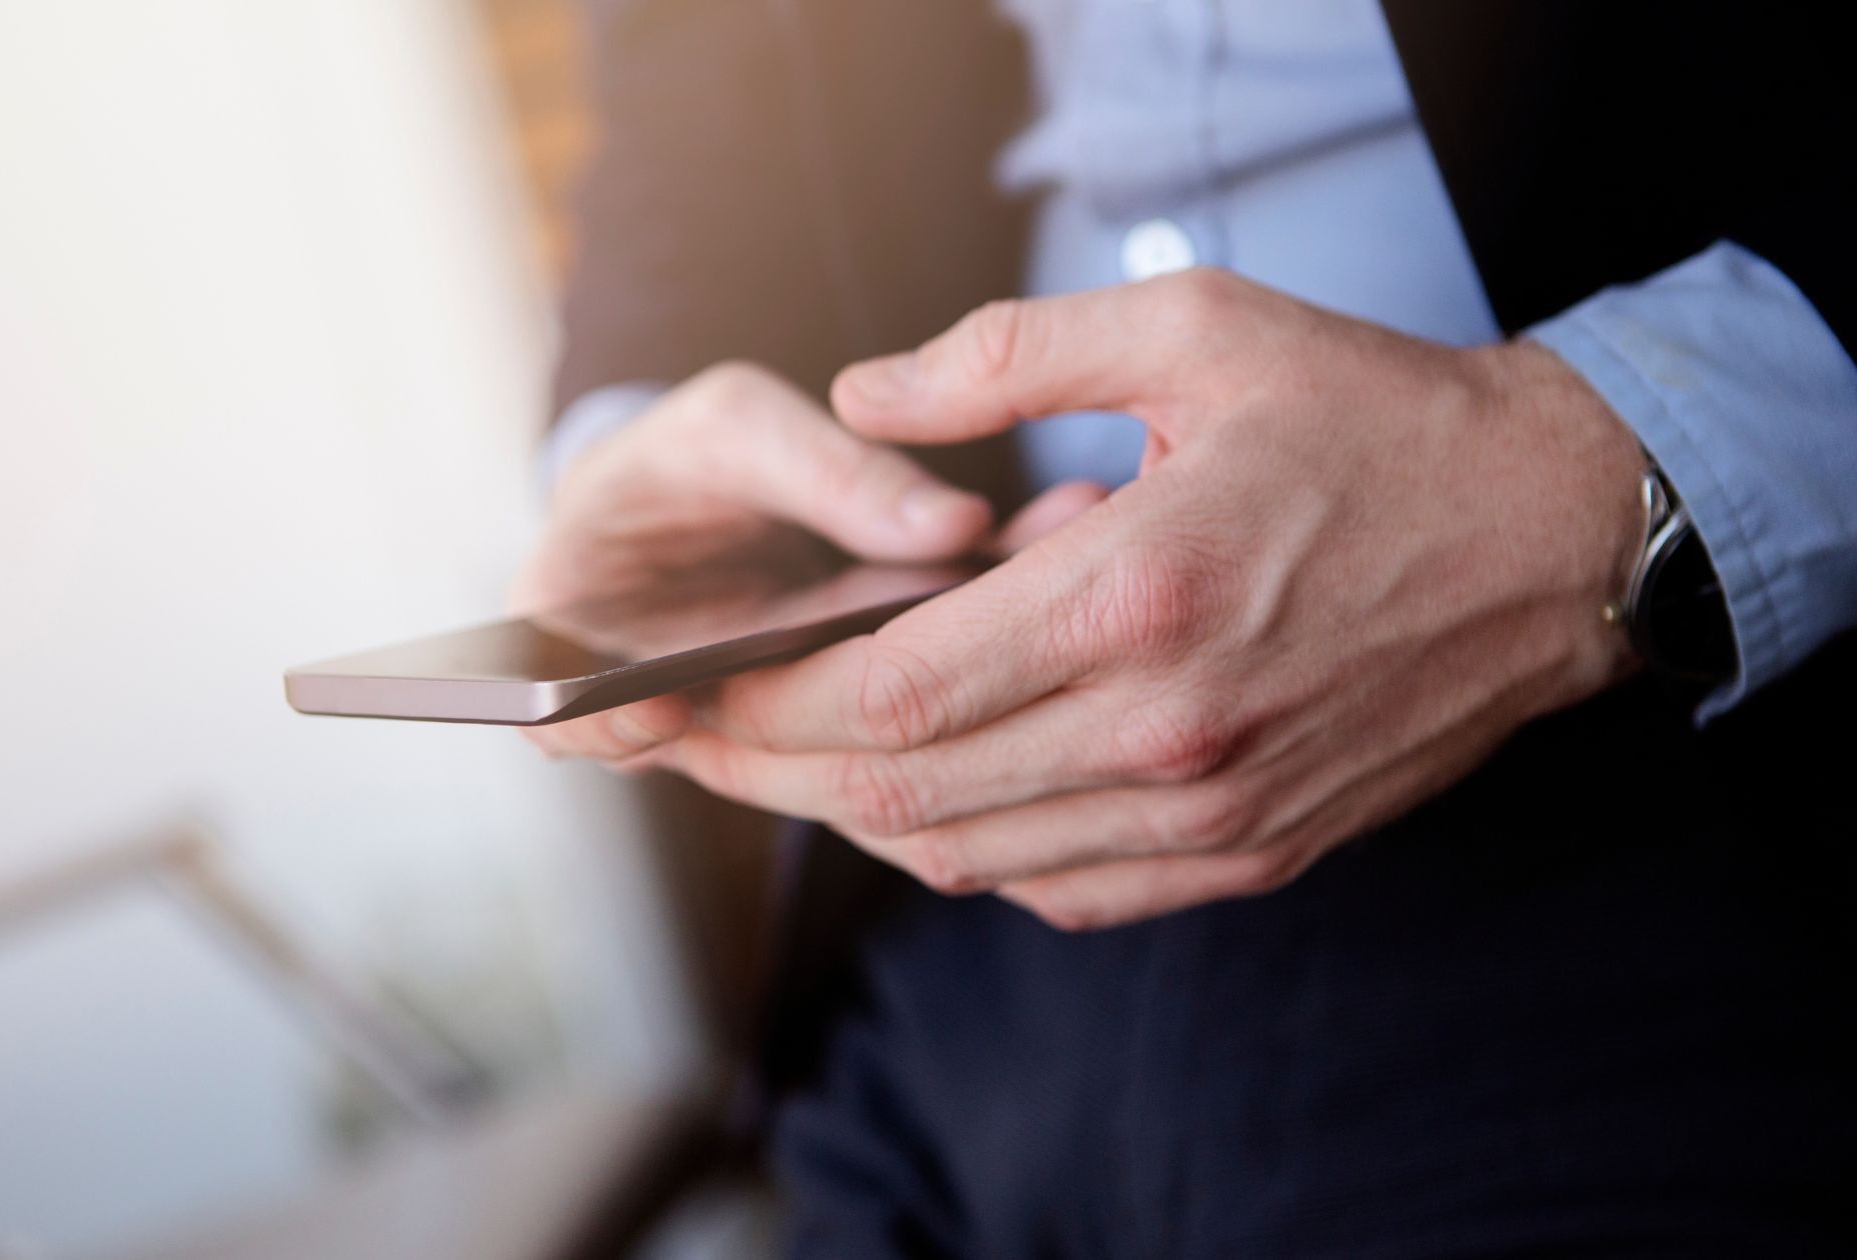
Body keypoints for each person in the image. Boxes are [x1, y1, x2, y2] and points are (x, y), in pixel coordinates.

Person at [517, 1, 1857, 1253]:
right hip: (948, 954)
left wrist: (1608, 475)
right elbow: (687, 72)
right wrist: (629, 433)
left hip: (1677, 805)